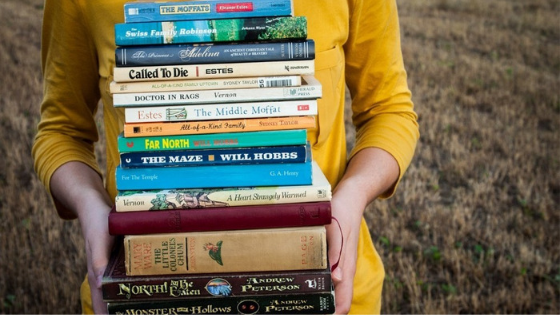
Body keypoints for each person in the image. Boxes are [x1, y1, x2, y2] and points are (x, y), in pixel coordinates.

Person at [33, 0, 419, 314]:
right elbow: (62, 131)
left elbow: (388, 111)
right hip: (146, 291)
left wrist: (351, 197)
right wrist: (91, 206)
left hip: (319, 285)